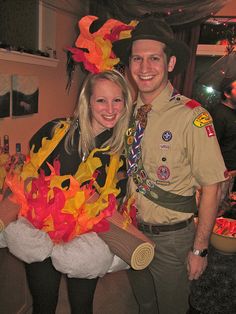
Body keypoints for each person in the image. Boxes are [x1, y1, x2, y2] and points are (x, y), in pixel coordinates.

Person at [113, 16, 228, 314]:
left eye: (154, 58)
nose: (144, 67)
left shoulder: (192, 116)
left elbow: (212, 186)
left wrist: (199, 249)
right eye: (137, 58)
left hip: (173, 240)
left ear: (171, 63)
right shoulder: (128, 113)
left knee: (171, 308)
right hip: (133, 229)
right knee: (144, 303)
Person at [1, 70, 133, 314]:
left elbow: (116, 199)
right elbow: (29, 174)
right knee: (44, 303)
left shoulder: (123, 151)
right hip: (40, 232)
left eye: (117, 100)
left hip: (83, 241)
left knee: (82, 306)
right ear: (88, 101)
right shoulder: (56, 131)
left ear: (126, 102)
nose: (110, 108)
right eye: (101, 100)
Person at [210, 76, 236, 194]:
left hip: (232, 173)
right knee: (216, 209)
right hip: (223, 174)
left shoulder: (233, 113)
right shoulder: (218, 114)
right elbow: (211, 146)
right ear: (227, 93)